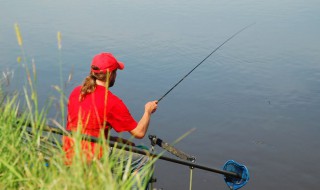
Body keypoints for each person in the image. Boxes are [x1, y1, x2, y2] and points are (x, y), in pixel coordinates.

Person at [62, 52, 158, 163]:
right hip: (93, 156)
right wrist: (148, 111)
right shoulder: (111, 101)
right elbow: (139, 132)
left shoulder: (77, 91)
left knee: (122, 144)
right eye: (116, 72)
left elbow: (89, 130)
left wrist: (115, 140)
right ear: (110, 74)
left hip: (70, 150)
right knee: (145, 159)